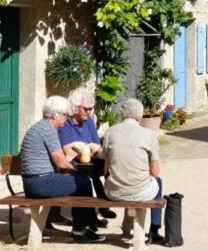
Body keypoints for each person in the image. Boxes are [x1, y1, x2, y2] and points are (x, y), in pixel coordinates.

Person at [19, 95, 105, 243]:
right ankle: (80, 231)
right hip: (41, 183)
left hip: (31, 183)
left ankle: (87, 223)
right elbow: (61, 163)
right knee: (83, 183)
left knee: (79, 181)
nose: (66, 120)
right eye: (65, 115)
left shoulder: (38, 127)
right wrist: (76, 169)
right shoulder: (49, 130)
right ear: (55, 115)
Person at [46, 90, 117, 230]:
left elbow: (97, 144)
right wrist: (82, 147)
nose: (89, 112)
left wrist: (93, 147)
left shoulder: (89, 121)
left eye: (91, 109)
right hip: (70, 162)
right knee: (85, 179)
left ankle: (102, 207)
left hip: (87, 160)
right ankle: (88, 219)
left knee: (108, 168)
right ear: (76, 107)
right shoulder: (65, 123)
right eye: (86, 109)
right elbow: (66, 150)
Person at [101, 98, 165, 244]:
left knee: (126, 180)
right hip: (139, 191)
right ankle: (154, 230)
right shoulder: (149, 134)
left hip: (114, 192)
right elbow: (155, 171)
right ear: (140, 116)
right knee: (158, 181)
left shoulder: (110, 132)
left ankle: (126, 228)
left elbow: (106, 167)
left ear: (122, 115)